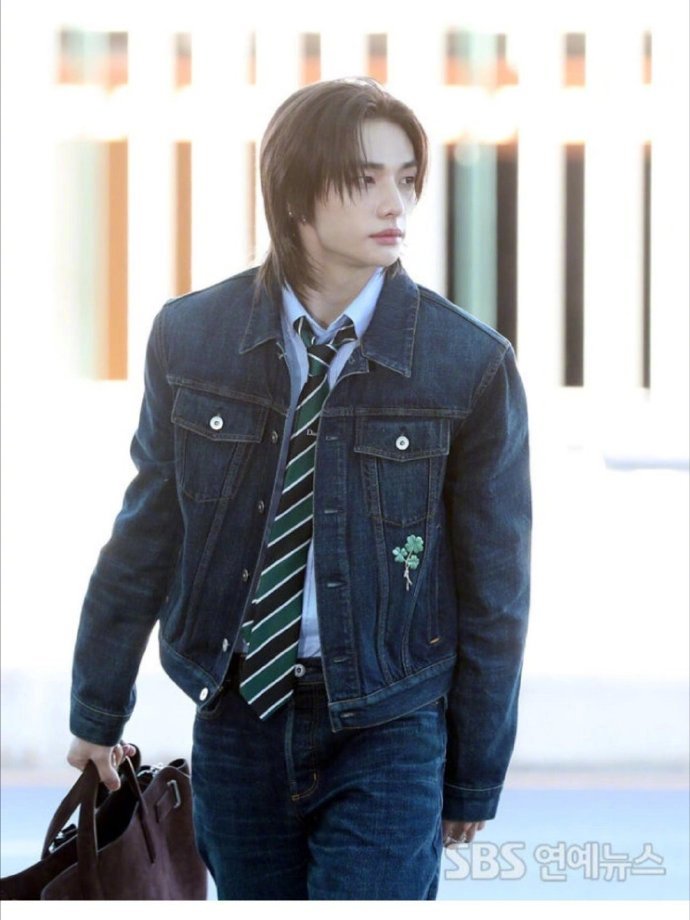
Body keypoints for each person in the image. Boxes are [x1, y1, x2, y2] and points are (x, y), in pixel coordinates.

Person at [67, 77, 531, 900]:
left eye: (406, 178)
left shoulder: (468, 364)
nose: (395, 203)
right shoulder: (192, 338)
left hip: (388, 723)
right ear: (294, 192)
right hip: (237, 713)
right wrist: (97, 708)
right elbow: (148, 530)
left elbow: (496, 586)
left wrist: (475, 770)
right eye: (364, 179)